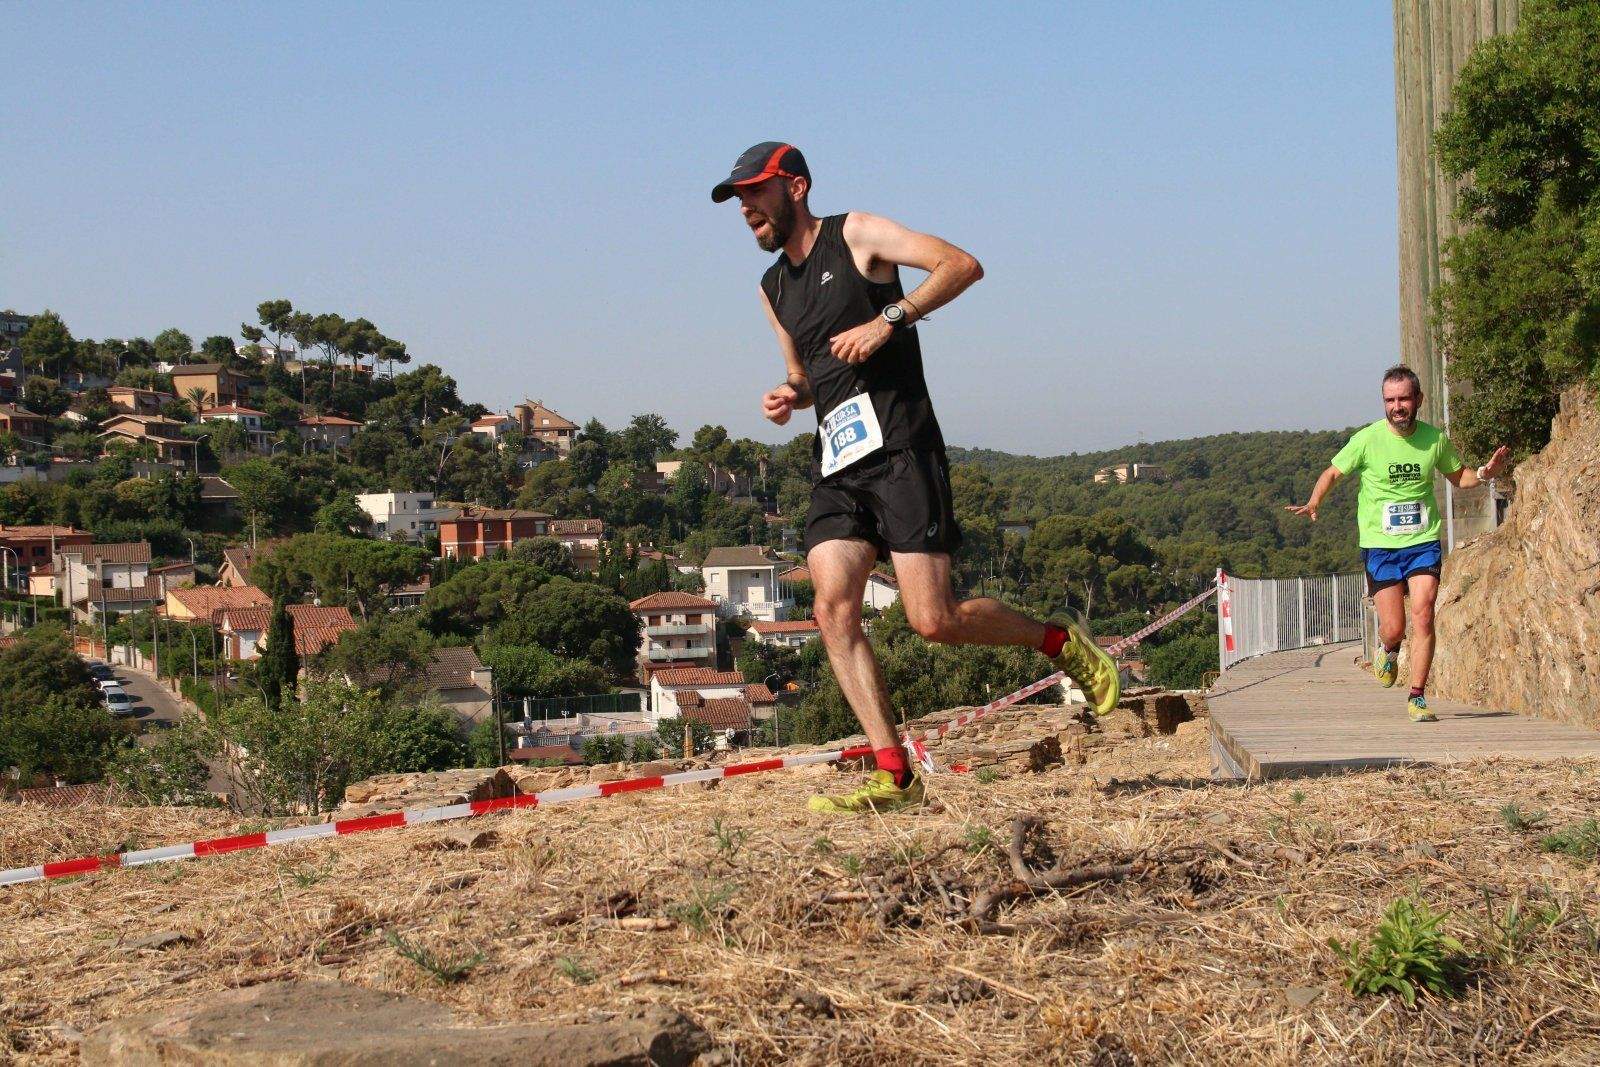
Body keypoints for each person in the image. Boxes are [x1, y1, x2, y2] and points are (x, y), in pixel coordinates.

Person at [711, 141, 1119, 814]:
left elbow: (961, 265)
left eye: (756, 192)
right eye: (739, 200)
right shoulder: (771, 289)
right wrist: (788, 397)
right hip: (838, 464)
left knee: (934, 620)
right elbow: (807, 376)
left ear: (797, 187)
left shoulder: (858, 235)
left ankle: (1058, 640)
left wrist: (888, 319)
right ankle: (894, 774)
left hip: (901, 448)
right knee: (831, 607)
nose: (747, 208)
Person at [1287, 365, 1508, 721]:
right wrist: (1315, 502)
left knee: (1424, 612)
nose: (1397, 406)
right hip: (1381, 546)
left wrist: (1484, 473)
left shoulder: (1434, 439)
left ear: (1418, 399)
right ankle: (1388, 648)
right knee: (1394, 627)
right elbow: (1331, 473)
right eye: (1390, 400)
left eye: (1404, 398)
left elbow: (1459, 476)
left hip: (1422, 541)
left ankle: (1417, 696)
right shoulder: (1367, 439)